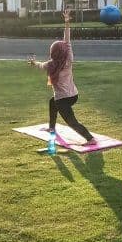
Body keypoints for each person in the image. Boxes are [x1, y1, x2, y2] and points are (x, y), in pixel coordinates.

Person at [29, 8, 97, 145]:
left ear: (52, 53)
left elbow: (40, 65)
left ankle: (90, 139)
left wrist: (33, 63)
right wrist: (66, 23)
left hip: (62, 99)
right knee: (52, 102)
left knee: (71, 121)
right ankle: (52, 127)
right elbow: (67, 41)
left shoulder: (50, 65)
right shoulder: (68, 60)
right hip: (74, 95)